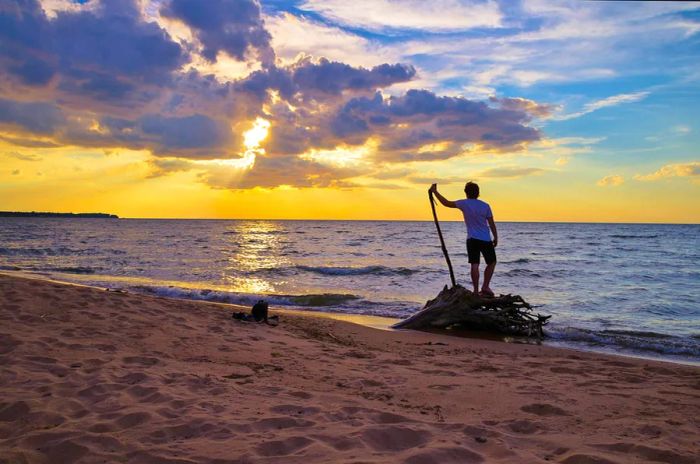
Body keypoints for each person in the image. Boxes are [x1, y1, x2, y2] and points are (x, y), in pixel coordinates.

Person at [429, 182, 498, 297]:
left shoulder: (464, 203)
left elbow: (445, 203)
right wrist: (496, 237)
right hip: (485, 239)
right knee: (491, 262)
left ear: (466, 193)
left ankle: (476, 291)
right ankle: (485, 286)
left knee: (475, 264)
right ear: (478, 193)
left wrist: (435, 192)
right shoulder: (485, 205)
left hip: (472, 239)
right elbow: (491, 224)